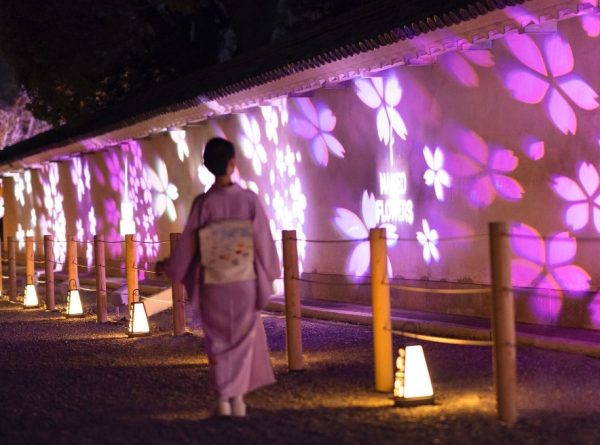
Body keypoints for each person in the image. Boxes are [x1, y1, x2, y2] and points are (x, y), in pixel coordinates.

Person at [157, 137, 280, 417]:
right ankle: (237, 401)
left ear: (208, 165)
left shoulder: (204, 203)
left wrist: (172, 266)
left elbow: (189, 244)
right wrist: (272, 270)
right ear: (232, 163)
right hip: (244, 281)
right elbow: (263, 239)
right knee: (242, 341)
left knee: (217, 341)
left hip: (213, 282)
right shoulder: (248, 200)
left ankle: (224, 400)